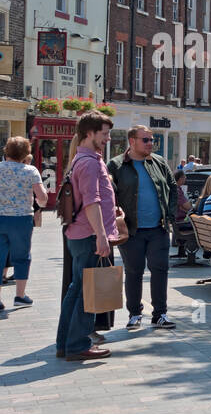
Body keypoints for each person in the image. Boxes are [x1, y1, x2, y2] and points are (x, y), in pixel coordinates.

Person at [56, 112, 121, 361]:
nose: (107, 138)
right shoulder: (91, 162)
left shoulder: (80, 159)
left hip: (80, 233)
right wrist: (101, 236)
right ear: (89, 133)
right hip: (88, 235)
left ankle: (65, 343)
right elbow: (91, 202)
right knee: (85, 291)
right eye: (103, 134)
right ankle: (77, 345)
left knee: (75, 290)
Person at [108, 125, 180, 330]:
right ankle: (134, 314)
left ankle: (160, 314)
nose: (151, 144)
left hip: (158, 228)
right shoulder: (116, 165)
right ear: (132, 141)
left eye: (152, 140)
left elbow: (173, 187)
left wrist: (170, 215)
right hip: (131, 230)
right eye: (146, 140)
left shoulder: (158, 162)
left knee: (160, 270)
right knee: (134, 271)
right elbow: (108, 194)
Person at [0, 137, 48, 312]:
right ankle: (20, 296)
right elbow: (42, 198)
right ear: (26, 153)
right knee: (21, 256)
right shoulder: (31, 171)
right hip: (21, 219)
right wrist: (41, 205)